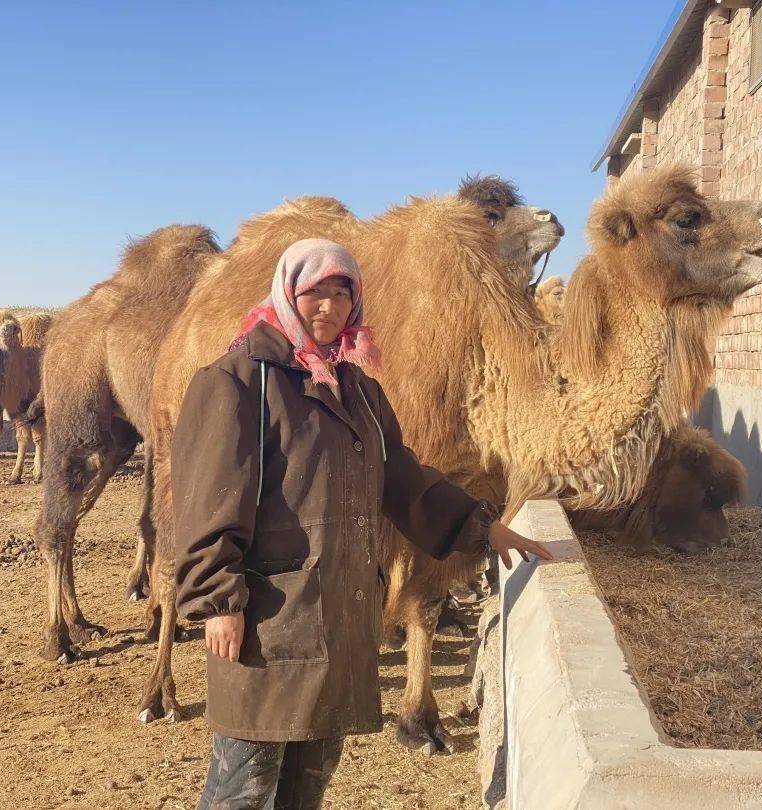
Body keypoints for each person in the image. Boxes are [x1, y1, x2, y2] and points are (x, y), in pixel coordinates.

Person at [173, 238, 553, 810]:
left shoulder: (359, 391)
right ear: (286, 293)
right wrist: (217, 601)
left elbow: (400, 478)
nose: (327, 308)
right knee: (242, 790)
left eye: (340, 295)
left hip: (337, 623)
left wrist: (482, 527)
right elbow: (208, 499)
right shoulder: (236, 383)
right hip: (268, 624)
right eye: (314, 293)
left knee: (308, 785)